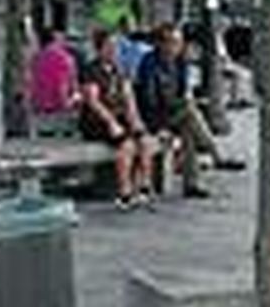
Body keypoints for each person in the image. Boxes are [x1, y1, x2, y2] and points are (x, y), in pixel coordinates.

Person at [135, 23, 245, 199]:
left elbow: (184, 90)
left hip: (175, 112)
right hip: (153, 117)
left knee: (189, 128)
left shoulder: (180, 63)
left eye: (178, 42)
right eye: (172, 42)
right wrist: (162, 122)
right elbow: (149, 100)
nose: (176, 47)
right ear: (161, 44)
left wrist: (184, 100)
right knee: (189, 111)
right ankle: (216, 155)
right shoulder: (149, 63)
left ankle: (192, 185)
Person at [80, 28, 154, 209]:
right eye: (109, 46)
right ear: (100, 49)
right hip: (97, 120)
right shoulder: (91, 70)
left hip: (119, 118)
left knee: (145, 141)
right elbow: (93, 101)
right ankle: (124, 192)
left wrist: (136, 121)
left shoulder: (120, 71)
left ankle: (144, 186)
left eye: (117, 47)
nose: (114, 51)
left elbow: (129, 99)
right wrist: (112, 123)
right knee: (127, 145)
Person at [27, 27, 80, 119]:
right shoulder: (65, 58)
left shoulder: (36, 58)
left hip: (39, 111)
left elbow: (30, 85)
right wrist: (71, 101)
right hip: (61, 111)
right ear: (56, 39)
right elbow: (62, 86)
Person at [115, 16, 151, 81]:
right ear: (121, 27)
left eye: (132, 24)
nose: (130, 27)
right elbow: (120, 60)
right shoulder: (120, 42)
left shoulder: (143, 39)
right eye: (127, 25)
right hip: (132, 75)